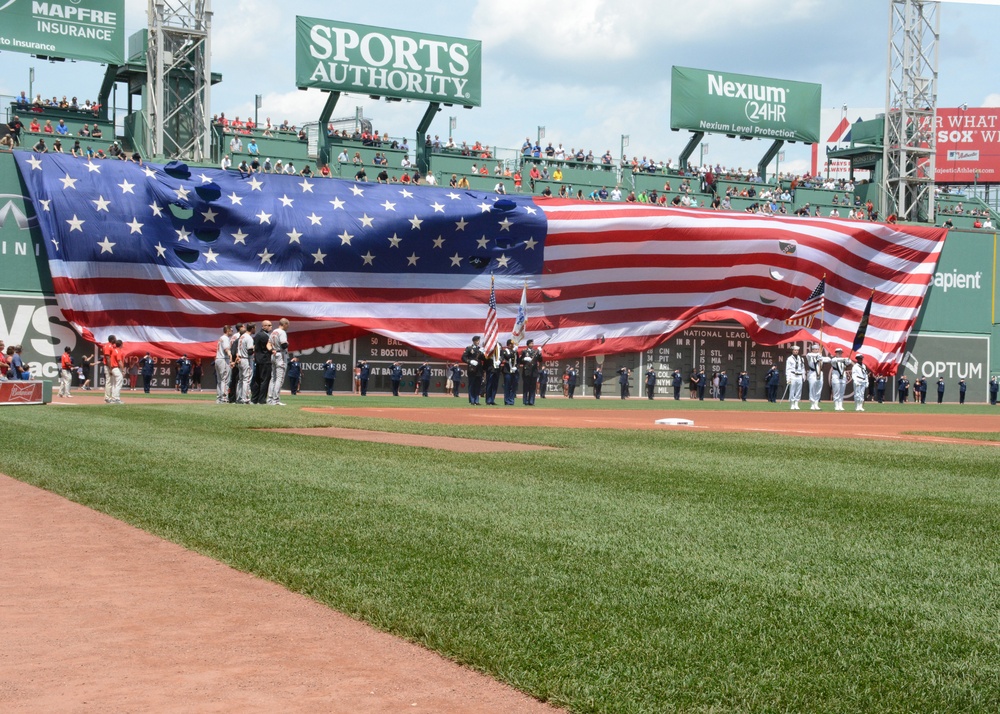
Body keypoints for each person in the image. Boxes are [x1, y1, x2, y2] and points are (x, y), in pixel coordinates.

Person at [267, 317, 290, 405]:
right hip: (281, 355)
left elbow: (268, 344)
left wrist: (272, 350)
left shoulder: (273, 332)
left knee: (273, 378)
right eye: (287, 325)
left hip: (274, 354)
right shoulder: (282, 332)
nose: (288, 327)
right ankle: (275, 400)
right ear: (285, 324)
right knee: (279, 378)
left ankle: (270, 399)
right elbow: (284, 345)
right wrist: (287, 343)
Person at [251, 319, 273, 404]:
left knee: (257, 381)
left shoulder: (257, 335)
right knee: (264, 380)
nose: (271, 327)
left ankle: (254, 399)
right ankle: (262, 399)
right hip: (265, 360)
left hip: (258, 360)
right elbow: (268, 347)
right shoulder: (264, 336)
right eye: (269, 325)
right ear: (264, 326)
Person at [461, 336, 485, 405]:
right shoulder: (469, 348)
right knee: (472, 385)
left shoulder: (480, 349)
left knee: (478, 385)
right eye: (477, 340)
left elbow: (483, 359)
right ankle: (472, 400)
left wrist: (483, 353)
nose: (478, 342)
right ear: (474, 341)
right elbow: (463, 357)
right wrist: (470, 361)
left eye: (479, 340)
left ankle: (476, 400)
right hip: (472, 369)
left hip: (479, 370)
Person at [805, 343, 829, 410]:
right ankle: (812, 404)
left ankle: (816, 404)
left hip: (820, 373)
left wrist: (821, 357)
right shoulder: (810, 356)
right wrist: (817, 355)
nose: (817, 350)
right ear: (812, 350)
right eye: (815, 349)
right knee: (812, 388)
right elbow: (808, 355)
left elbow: (829, 359)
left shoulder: (820, 356)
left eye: (818, 349)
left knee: (819, 389)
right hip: (812, 373)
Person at [236, 323, 255, 404]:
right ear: (252, 328)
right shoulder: (249, 338)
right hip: (246, 359)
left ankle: (239, 398)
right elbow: (250, 352)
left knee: (241, 380)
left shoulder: (241, 336)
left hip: (240, 359)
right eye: (254, 328)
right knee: (246, 380)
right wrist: (254, 348)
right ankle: (246, 398)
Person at [520, 339, 542, 405]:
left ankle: (531, 401)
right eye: (531, 343)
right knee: (526, 387)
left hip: (534, 371)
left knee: (532, 387)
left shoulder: (536, 352)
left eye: (533, 343)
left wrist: (540, 353)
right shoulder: (524, 351)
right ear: (528, 344)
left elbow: (540, 360)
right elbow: (520, 361)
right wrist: (525, 359)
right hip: (527, 371)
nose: (532, 344)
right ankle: (525, 401)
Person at [215, 326, 232, 403]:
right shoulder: (225, 338)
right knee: (225, 380)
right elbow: (226, 349)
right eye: (231, 330)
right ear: (227, 330)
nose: (232, 331)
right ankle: (224, 398)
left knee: (220, 380)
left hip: (218, 359)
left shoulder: (221, 338)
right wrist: (230, 356)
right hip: (223, 360)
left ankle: (219, 398)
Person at [785, 345, 804, 410]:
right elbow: (788, 369)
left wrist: (803, 376)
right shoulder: (789, 359)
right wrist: (788, 378)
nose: (796, 351)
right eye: (795, 350)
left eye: (797, 350)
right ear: (792, 351)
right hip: (793, 375)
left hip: (799, 375)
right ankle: (792, 403)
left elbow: (802, 368)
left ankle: (796, 403)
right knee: (792, 390)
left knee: (799, 390)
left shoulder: (801, 358)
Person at [109, 339, 125, 404]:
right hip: (116, 368)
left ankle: (113, 398)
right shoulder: (119, 351)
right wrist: (123, 370)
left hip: (112, 368)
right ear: (121, 344)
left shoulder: (113, 350)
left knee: (114, 384)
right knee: (118, 384)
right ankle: (116, 398)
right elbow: (119, 361)